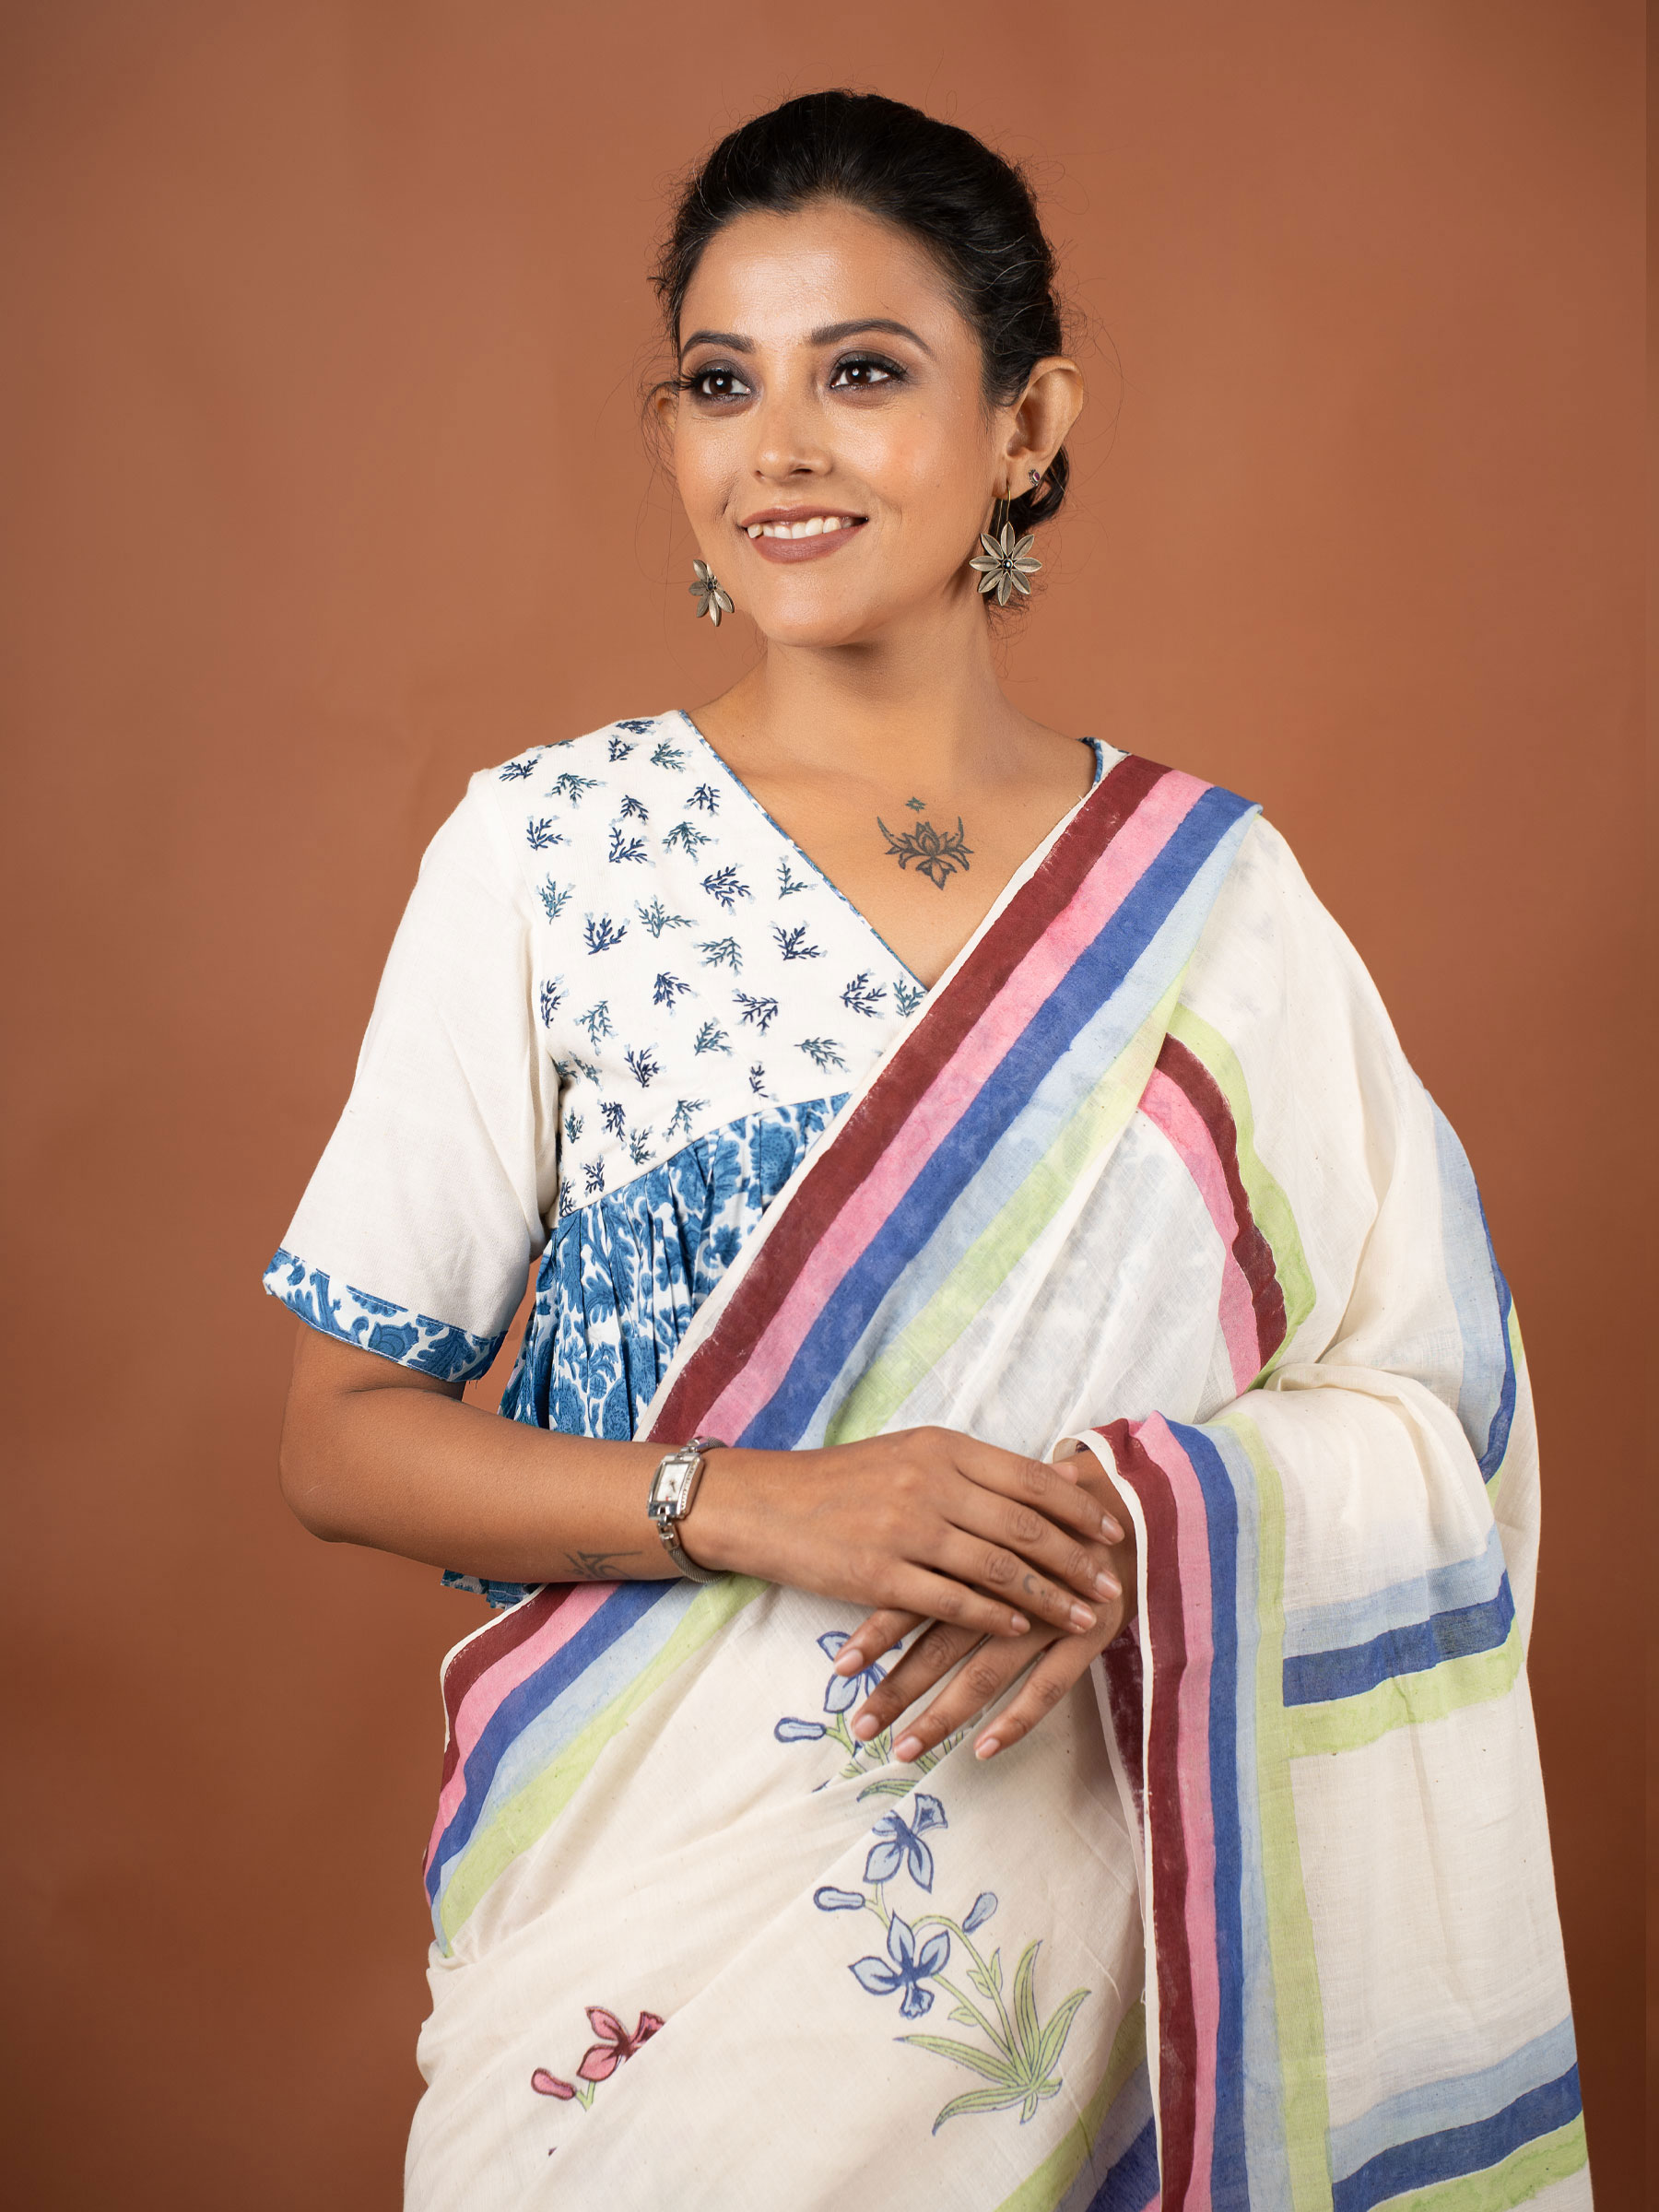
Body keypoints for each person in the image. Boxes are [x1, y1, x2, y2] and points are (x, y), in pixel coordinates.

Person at [267, 89, 1589, 2212]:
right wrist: (756, 1501)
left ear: (1027, 425)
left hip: (1089, 1973)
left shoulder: (1216, 907)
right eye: (721, 385)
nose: (777, 450)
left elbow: (1427, 1403)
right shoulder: (549, 856)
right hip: (641, 1959)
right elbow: (338, 1434)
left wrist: (1148, 1527)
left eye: (863, 373)